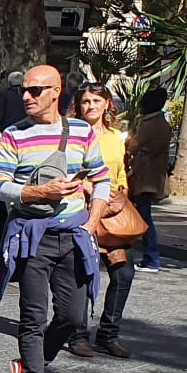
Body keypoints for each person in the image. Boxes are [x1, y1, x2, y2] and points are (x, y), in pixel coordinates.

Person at [0, 63, 111, 373]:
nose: (26, 97)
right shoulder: (14, 134)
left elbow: (101, 178)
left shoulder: (80, 132)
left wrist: (92, 221)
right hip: (32, 236)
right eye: (23, 91)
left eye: (35, 91)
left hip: (73, 235)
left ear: (56, 92)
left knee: (73, 317)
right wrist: (33, 192)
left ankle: (30, 366)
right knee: (32, 316)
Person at [73, 84, 135, 358]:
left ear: (107, 104)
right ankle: (77, 334)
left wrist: (120, 193)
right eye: (85, 101)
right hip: (82, 210)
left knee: (123, 273)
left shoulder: (114, 137)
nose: (91, 106)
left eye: (96, 100)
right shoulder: (71, 134)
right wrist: (85, 186)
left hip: (112, 215)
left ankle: (109, 333)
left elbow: (121, 173)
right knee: (82, 275)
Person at [127, 86, 171, 272]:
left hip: (144, 176)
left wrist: (128, 143)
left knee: (144, 217)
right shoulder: (162, 122)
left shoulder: (148, 123)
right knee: (144, 214)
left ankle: (151, 258)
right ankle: (148, 256)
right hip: (154, 175)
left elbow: (135, 145)